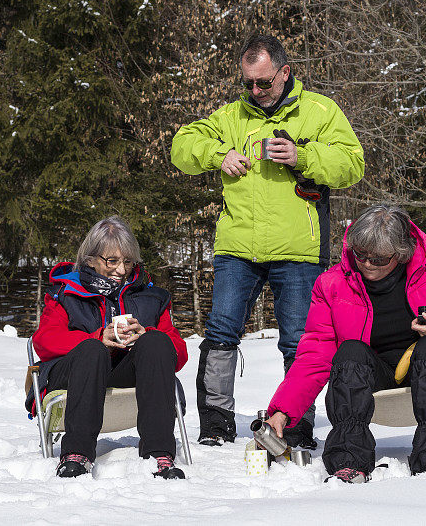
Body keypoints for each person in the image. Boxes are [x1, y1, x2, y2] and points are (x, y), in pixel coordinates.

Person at [170, 34, 364, 448]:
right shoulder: (231, 116)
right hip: (238, 248)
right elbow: (181, 147)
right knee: (220, 332)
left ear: (285, 72)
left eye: (263, 83)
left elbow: (353, 164)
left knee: (300, 341)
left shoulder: (318, 111)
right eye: (248, 83)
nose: (255, 91)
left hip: (298, 251)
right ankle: (216, 424)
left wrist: (304, 157)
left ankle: (295, 424)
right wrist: (216, 155)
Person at [264, 204, 426, 483]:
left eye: (378, 259)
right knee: (350, 351)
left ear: (401, 254)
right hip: (370, 376)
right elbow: (314, 354)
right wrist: (282, 410)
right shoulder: (331, 284)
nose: (366, 264)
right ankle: (349, 461)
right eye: (360, 255)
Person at [27, 216, 188, 479]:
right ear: (90, 259)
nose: (121, 270)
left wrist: (146, 334)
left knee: (158, 341)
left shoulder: (152, 297)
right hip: (75, 373)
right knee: (93, 349)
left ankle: (159, 454)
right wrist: (97, 336)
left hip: (129, 372)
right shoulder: (66, 293)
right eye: (112, 261)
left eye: (127, 261)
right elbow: (44, 341)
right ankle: (76, 454)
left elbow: (179, 354)